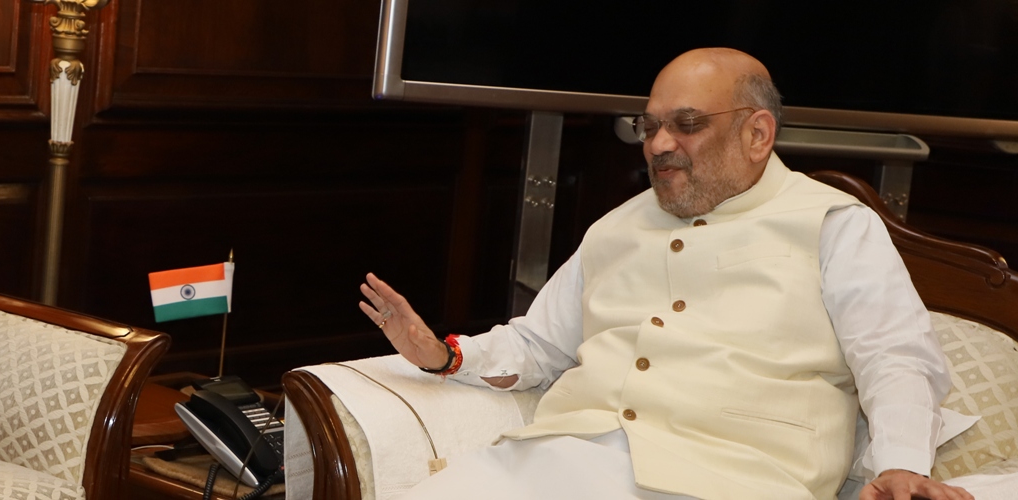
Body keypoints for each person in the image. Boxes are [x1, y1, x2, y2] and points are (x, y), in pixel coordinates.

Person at [357, 48, 971, 500]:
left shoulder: (834, 224)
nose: (657, 145)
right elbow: (539, 343)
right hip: (557, 462)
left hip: (735, 480)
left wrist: (900, 464)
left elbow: (895, 356)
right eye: (649, 126)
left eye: (687, 124)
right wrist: (440, 354)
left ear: (757, 133)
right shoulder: (617, 226)